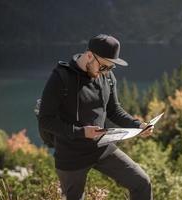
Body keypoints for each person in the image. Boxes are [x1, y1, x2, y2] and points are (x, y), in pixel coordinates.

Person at [38, 34, 154, 200]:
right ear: (90, 55)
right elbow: (45, 120)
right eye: (103, 67)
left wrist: (138, 125)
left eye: (110, 68)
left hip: (102, 147)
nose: (105, 72)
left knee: (142, 182)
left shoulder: (107, 76)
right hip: (71, 155)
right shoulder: (61, 78)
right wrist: (81, 132)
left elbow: (114, 110)